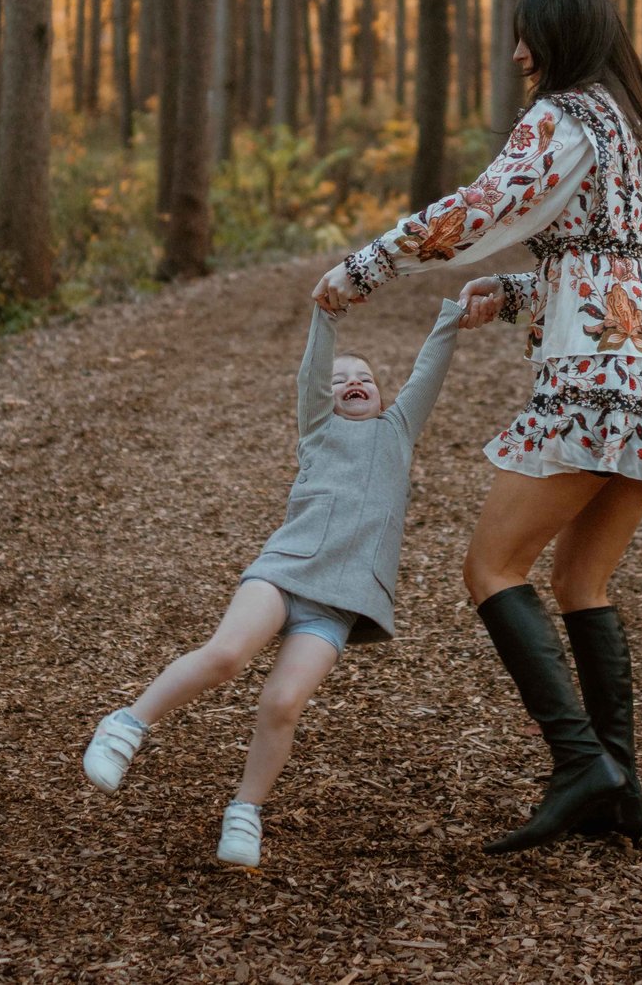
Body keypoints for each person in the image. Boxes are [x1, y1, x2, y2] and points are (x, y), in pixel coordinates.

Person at [314, 0, 642, 852]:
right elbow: (611, 262)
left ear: (561, 40)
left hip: (599, 377)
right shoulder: (632, 126)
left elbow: (473, 211)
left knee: (492, 565)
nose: (517, 55)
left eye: (527, 37)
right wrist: (521, 289)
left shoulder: (564, 117)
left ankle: (579, 764)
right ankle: (620, 787)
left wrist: (366, 268)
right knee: (583, 582)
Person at [81, 297, 467, 869]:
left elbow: (428, 370)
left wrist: (452, 316)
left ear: (384, 397)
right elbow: (314, 372)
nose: (353, 383)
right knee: (227, 655)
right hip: (285, 572)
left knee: (283, 702)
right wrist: (327, 317)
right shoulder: (318, 429)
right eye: (343, 379)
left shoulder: (398, 431)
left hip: (340, 603)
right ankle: (125, 725)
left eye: (366, 379)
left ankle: (245, 812)